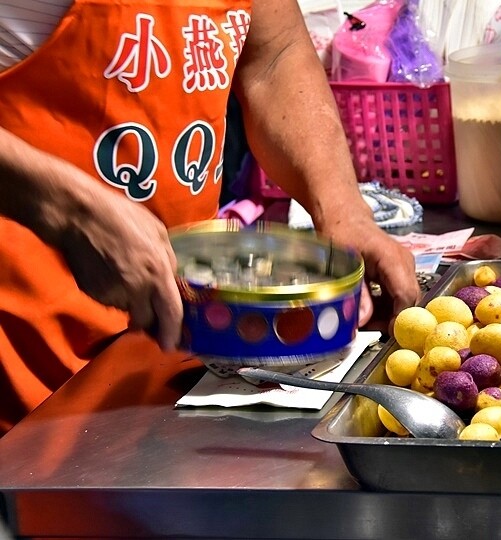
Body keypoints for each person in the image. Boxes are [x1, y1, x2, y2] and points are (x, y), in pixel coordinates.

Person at [0, 0, 420, 436]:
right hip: (22, 345)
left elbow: (275, 54)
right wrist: (65, 209)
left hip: (168, 344)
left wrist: (344, 209)